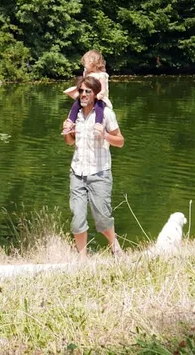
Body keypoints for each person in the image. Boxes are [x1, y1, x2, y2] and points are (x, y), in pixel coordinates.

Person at [62, 75, 125, 261]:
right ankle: (82, 259)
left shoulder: (106, 114)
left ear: (95, 94)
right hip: (77, 172)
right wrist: (67, 131)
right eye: (80, 91)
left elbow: (120, 141)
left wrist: (105, 135)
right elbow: (69, 142)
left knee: (102, 219)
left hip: (99, 172)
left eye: (87, 91)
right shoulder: (76, 115)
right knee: (77, 219)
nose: (82, 95)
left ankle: (115, 247)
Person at [62, 50, 112, 135]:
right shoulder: (86, 73)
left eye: (86, 62)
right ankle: (70, 122)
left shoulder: (101, 75)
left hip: (99, 97)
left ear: (94, 63)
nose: (84, 65)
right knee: (76, 105)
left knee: (98, 107)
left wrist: (100, 94)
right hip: (88, 96)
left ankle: (98, 124)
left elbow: (103, 89)